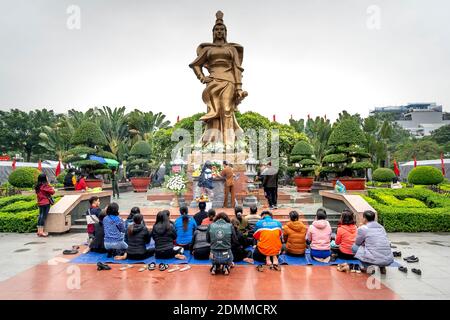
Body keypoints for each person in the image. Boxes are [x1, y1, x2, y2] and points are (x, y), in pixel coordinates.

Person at [35, 173, 55, 237]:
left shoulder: (38, 186)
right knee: (43, 217)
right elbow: (52, 192)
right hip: (45, 203)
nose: (47, 177)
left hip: (40, 203)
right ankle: (41, 232)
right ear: (44, 178)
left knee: (40, 216)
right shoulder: (45, 186)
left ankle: (39, 231)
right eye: (46, 177)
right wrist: (52, 187)